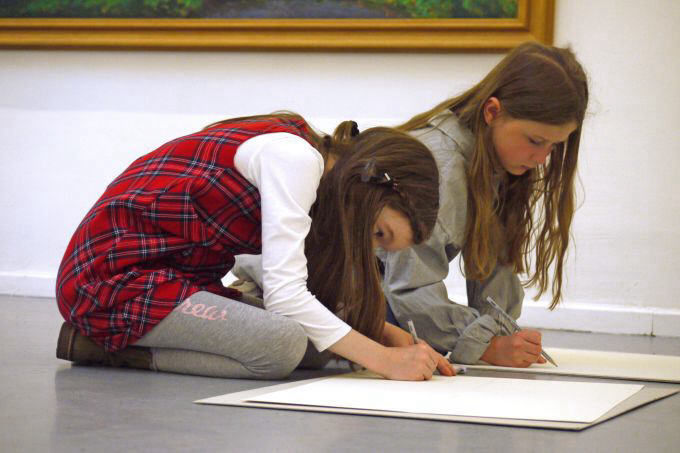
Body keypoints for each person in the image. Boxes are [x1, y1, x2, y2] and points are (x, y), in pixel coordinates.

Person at [55, 113, 454, 380]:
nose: (369, 246)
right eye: (379, 233)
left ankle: (126, 339)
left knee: (321, 348)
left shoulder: (317, 172)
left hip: (175, 282)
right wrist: (385, 360)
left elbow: (301, 295)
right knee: (283, 344)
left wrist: (378, 332)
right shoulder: (296, 160)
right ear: (370, 188)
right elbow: (285, 296)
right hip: (111, 282)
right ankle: (104, 348)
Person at [379, 41, 589, 367]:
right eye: (535, 141)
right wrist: (484, 345)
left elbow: (495, 267)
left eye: (553, 146)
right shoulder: (440, 168)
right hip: (345, 301)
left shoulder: (495, 161)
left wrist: (499, 335)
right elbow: (407, 288)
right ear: (492, 112)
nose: (541, 159)